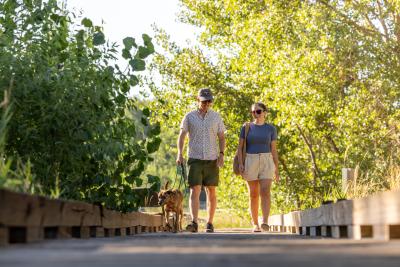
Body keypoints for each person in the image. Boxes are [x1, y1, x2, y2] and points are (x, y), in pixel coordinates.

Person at [176, 88, 226, 233]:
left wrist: (221, 154)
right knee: (194, 190)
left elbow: (222, 137)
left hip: (212, 159)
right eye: (204, 101)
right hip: (195, 158)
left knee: (211, 191)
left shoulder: (216, 117)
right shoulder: (189, 116)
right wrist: (179, 154)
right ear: (198, 100)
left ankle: (210, 223)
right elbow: (182, 136)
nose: (206, 103)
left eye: (209, 101)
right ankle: (194, 222)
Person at [237, 102, 280, 232]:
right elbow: (240, 147)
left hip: (267, 160)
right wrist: (240, 163)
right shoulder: (246, 127)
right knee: (253, 194)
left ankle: (265, 222)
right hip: (251, 160)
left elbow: (273, 149)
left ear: (265, 113)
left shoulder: (271, 129)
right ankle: (255, 224)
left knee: (265, 191)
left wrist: (276, 168)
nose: (256, 114)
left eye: (258, 111)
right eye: (253, 112)